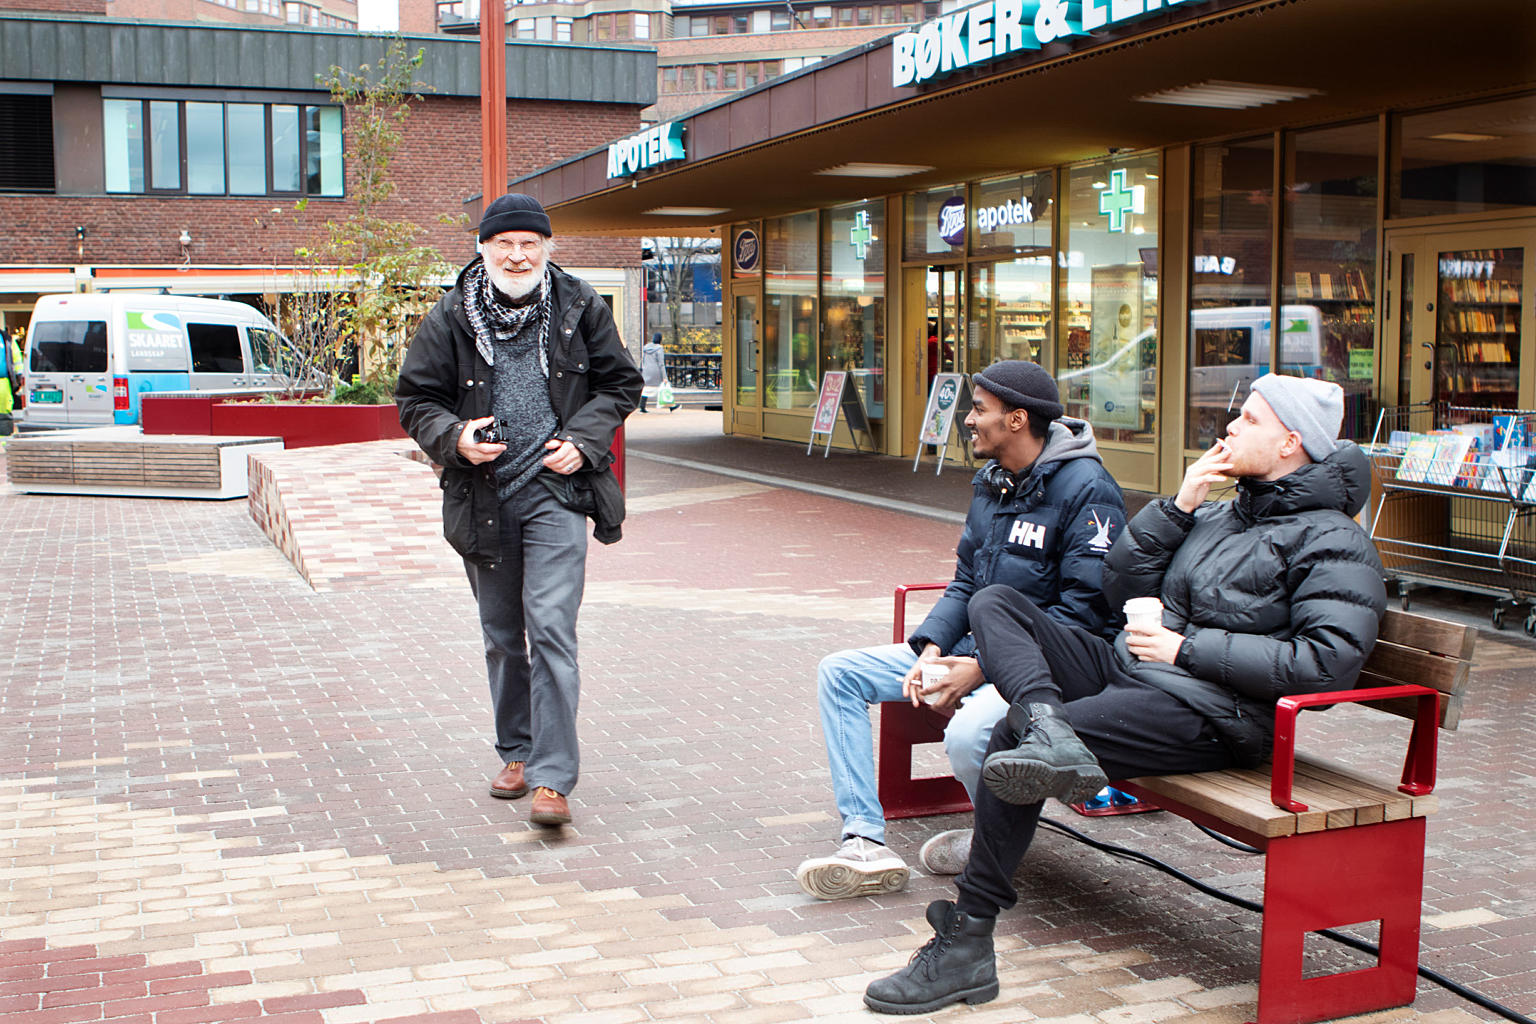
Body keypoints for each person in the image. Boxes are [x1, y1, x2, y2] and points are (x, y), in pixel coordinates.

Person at [863, 373, 1387, 1014]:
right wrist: (1183, 502)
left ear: (1290, 443)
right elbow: (1118, 586)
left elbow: (1325, 664)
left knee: (1012, 736)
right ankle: (1047, 722)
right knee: (997, 603)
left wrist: (1184, 650)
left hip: (1213, 714)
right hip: (1139, 672)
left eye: (1248, 419)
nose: (1229, 428)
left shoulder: (1335, 540)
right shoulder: (1221, 513)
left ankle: (968, 944)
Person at [797, 360, 1127, 900]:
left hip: (1042, 670)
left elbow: (1085, 614)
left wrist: (981, 670)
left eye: (979, 409)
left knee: (970, 734)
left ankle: (996, 842)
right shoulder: (992, 483)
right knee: (841, 674)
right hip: (974, 651)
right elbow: (967, 581)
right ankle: (864, 840)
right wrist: (931, 650)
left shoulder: (1088, 491)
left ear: (1017, 419)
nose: (968, 420)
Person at [397, 193, 641, 828]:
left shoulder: (580, 305)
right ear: (483, 249)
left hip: (555, 494)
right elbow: (415, 399)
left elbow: (622, 383)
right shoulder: (449, 315)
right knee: (503, 636)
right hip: (482, 496)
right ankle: (518, 751)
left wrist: (584, 443)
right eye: (504, 243)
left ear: (547, 247)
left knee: (551, 628)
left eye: (529, 243)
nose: (517, 254)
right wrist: (455, 440)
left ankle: (554, 779)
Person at [0, 331, 22, 437]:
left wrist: (19, 378)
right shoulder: (6, 339)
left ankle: (4, 442)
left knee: (4, 414)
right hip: (4, 383)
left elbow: (17, 359)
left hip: (4, 382)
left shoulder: (6, 339)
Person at [639, 332, 665, 413]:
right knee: (662, 387)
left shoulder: (646, 347)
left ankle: (642, 406)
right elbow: (661, 364)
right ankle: (671, 405)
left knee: (646, 388)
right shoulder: (659, 348)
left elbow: (642, 360)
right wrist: (665, 377)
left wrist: (642, 369)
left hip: (646, 371)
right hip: (656, 371)